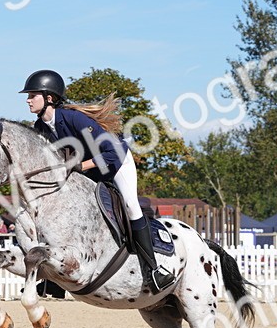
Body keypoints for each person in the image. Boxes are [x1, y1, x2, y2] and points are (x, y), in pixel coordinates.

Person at [19, 69, 174, 291]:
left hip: (117, 162)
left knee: (130, 206)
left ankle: (155, 270)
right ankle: (53, 279)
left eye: (32, 95)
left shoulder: (74, 119)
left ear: (49, 98)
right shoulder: (40, 128)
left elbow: (111, 153)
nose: (28, 100)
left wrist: (80, 165)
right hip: (89, 171)